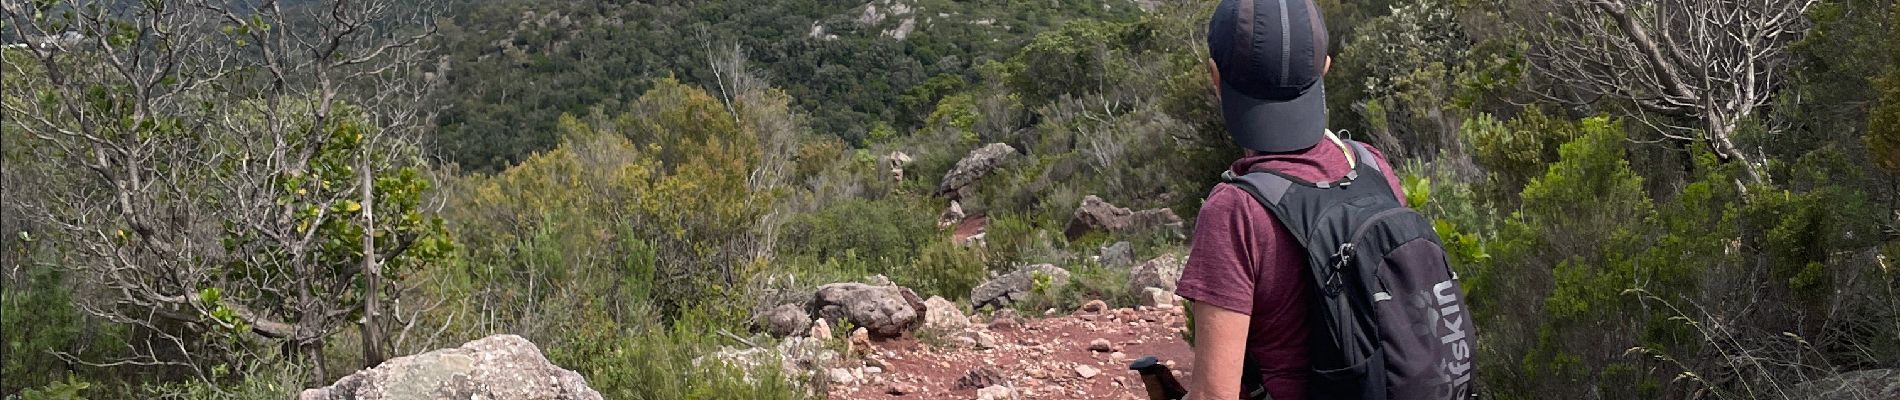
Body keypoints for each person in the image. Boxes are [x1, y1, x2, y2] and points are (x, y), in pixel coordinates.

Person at [1174, 0, 1407, 399]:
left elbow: (1215, 394)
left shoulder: (1235, 210)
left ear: (1215, 77)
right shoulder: (1373, 166)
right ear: (1325, 68)